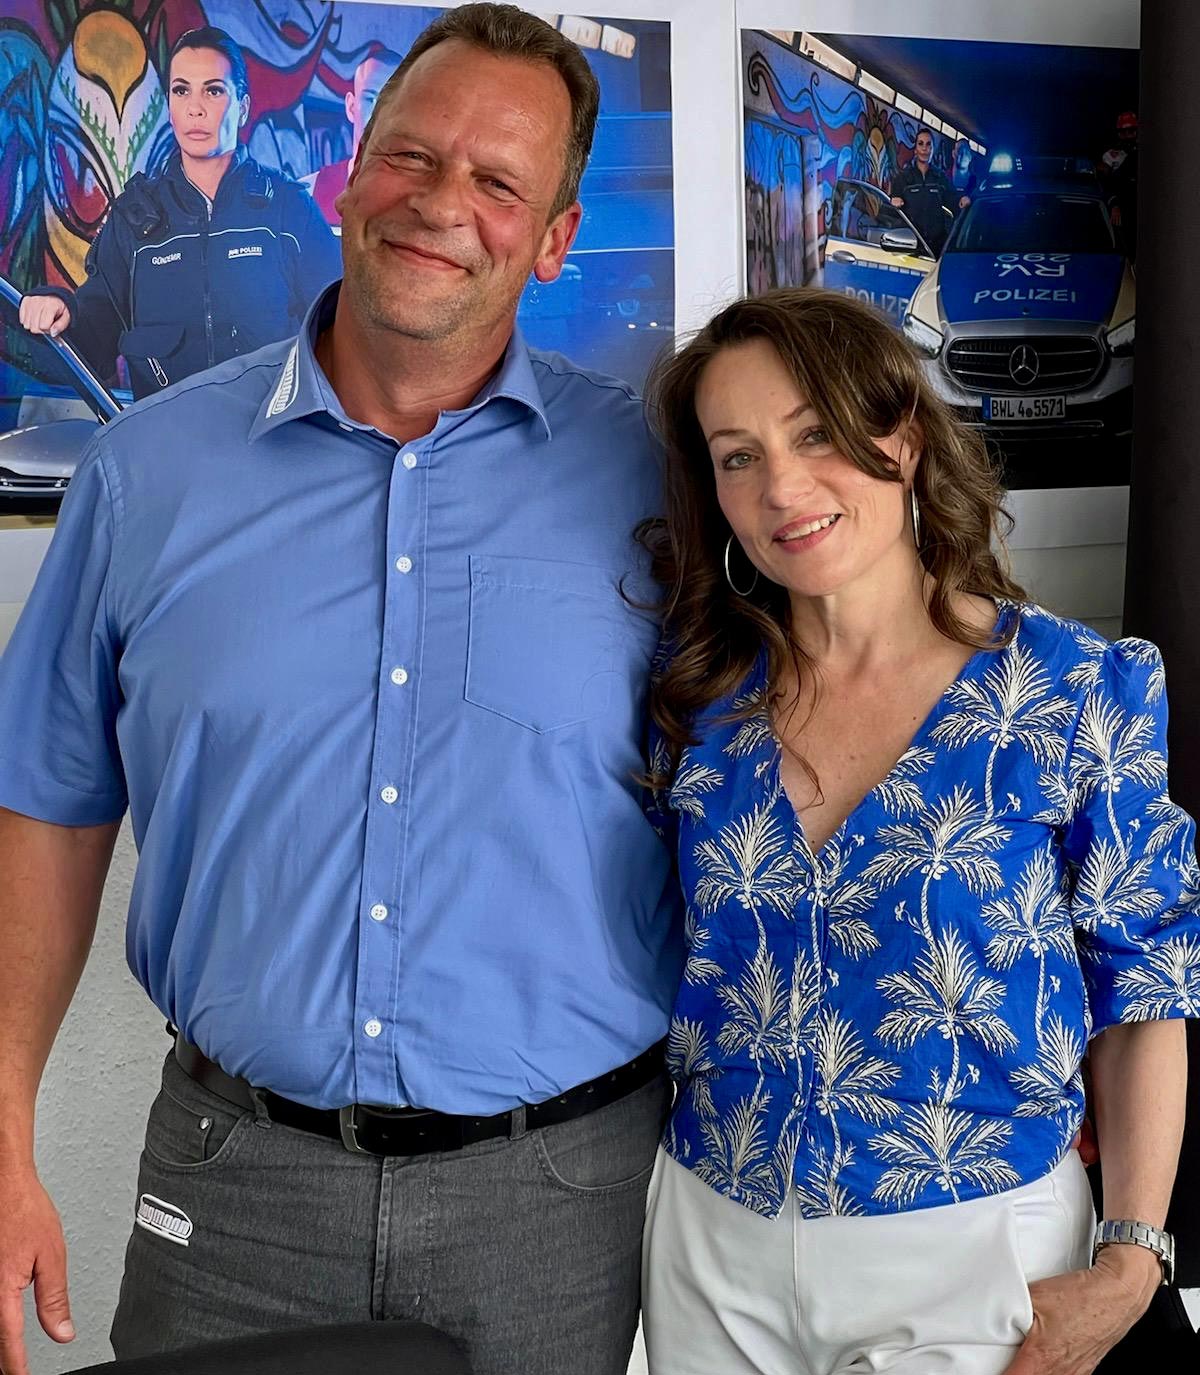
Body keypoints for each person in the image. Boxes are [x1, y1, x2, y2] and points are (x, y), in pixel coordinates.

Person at [0, 8, 679, 1375]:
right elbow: (47, 806)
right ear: (350, 175)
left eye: (498, 182)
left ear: (553, 238)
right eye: (411, 156)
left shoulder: (658, 486)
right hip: (236, 1185)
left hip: (557, 1199)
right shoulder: (143, 476)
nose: (441, 203)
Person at [636, 286, 1197, 1375]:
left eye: (815, 435)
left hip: (973, 1250)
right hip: (713, 1241)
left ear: (900, 437)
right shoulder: (697, 704)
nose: (782, 487)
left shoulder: (1075, 690)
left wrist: (1133, 1259)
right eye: (739, 456)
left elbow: (1147, 989)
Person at [17, 26, 340, 398]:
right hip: (166, 432)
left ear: (242, 107)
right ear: (169, 106)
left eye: (213, 90)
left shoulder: (288, 209)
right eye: (181, 90)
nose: (195, 108)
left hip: (270, 429)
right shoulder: (134, 218)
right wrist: (61, 310)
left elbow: (339, 328)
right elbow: (94, 332)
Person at [304, 49, 403, 227]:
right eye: (370, 99)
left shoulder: (425, 202)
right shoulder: (307, 194)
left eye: (393, 102)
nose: (380, 113)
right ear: (351, 107)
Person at [890, 127, 969, 256]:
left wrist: (962, 200)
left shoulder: (940, 178)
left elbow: (953, 199)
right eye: (920, 144)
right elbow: (890, 209)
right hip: (909, 248)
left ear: (933, 149)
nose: (924, 148)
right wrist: (893, 201)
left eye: (928, 144)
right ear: (915, 149)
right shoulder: (902, 178)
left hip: (936, 249)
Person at [1099, 111, 1139, 260]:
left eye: (1131, 131)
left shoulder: (1147, 153)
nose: (1127, 136)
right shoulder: (1111, 156)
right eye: (1123, 132)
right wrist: (1114, 204)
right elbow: (1106, 185)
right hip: (1122, 208)